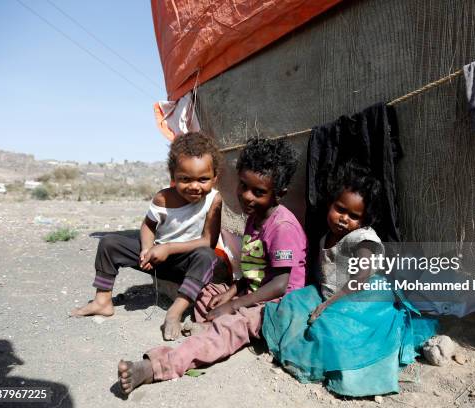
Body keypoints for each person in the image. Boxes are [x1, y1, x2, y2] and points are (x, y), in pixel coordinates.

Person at [117, 137, 307, 394]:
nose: (247, 196)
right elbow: (255, 273)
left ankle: (157, 366)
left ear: (279, 194)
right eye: (243, 186)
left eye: (259, 192)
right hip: (252, 291)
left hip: (277, 305)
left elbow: (280, 283)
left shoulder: (283, 227)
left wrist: (235, 304)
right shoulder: (254, 218)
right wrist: (231, 293)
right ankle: (208, 325)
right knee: (207, 292)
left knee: (230, 327)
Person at [262, 161, 438, 397]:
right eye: (340, 209)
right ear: (329, 203)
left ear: (364, 220)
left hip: (362, 304)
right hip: (331, 295)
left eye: (354, 216)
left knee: (329, 330)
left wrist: (329, 304)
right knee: (294, 303)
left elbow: (361, 279)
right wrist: (324, 300)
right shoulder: (326, 236)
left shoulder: (363, 240)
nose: (344, 219)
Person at [71, 132, 223, 341]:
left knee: (207, 256)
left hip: (184, 262)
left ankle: (175, 311)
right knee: (109, 243)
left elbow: (208, 241)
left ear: (215, 177)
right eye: (185, 179)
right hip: (156, 256)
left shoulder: (214, 200)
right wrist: (146, 249)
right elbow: (148, 225)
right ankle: (103, 300)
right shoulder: (163, 198)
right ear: (173, 176)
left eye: (203, 179)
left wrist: (168, 248)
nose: (194, 186)